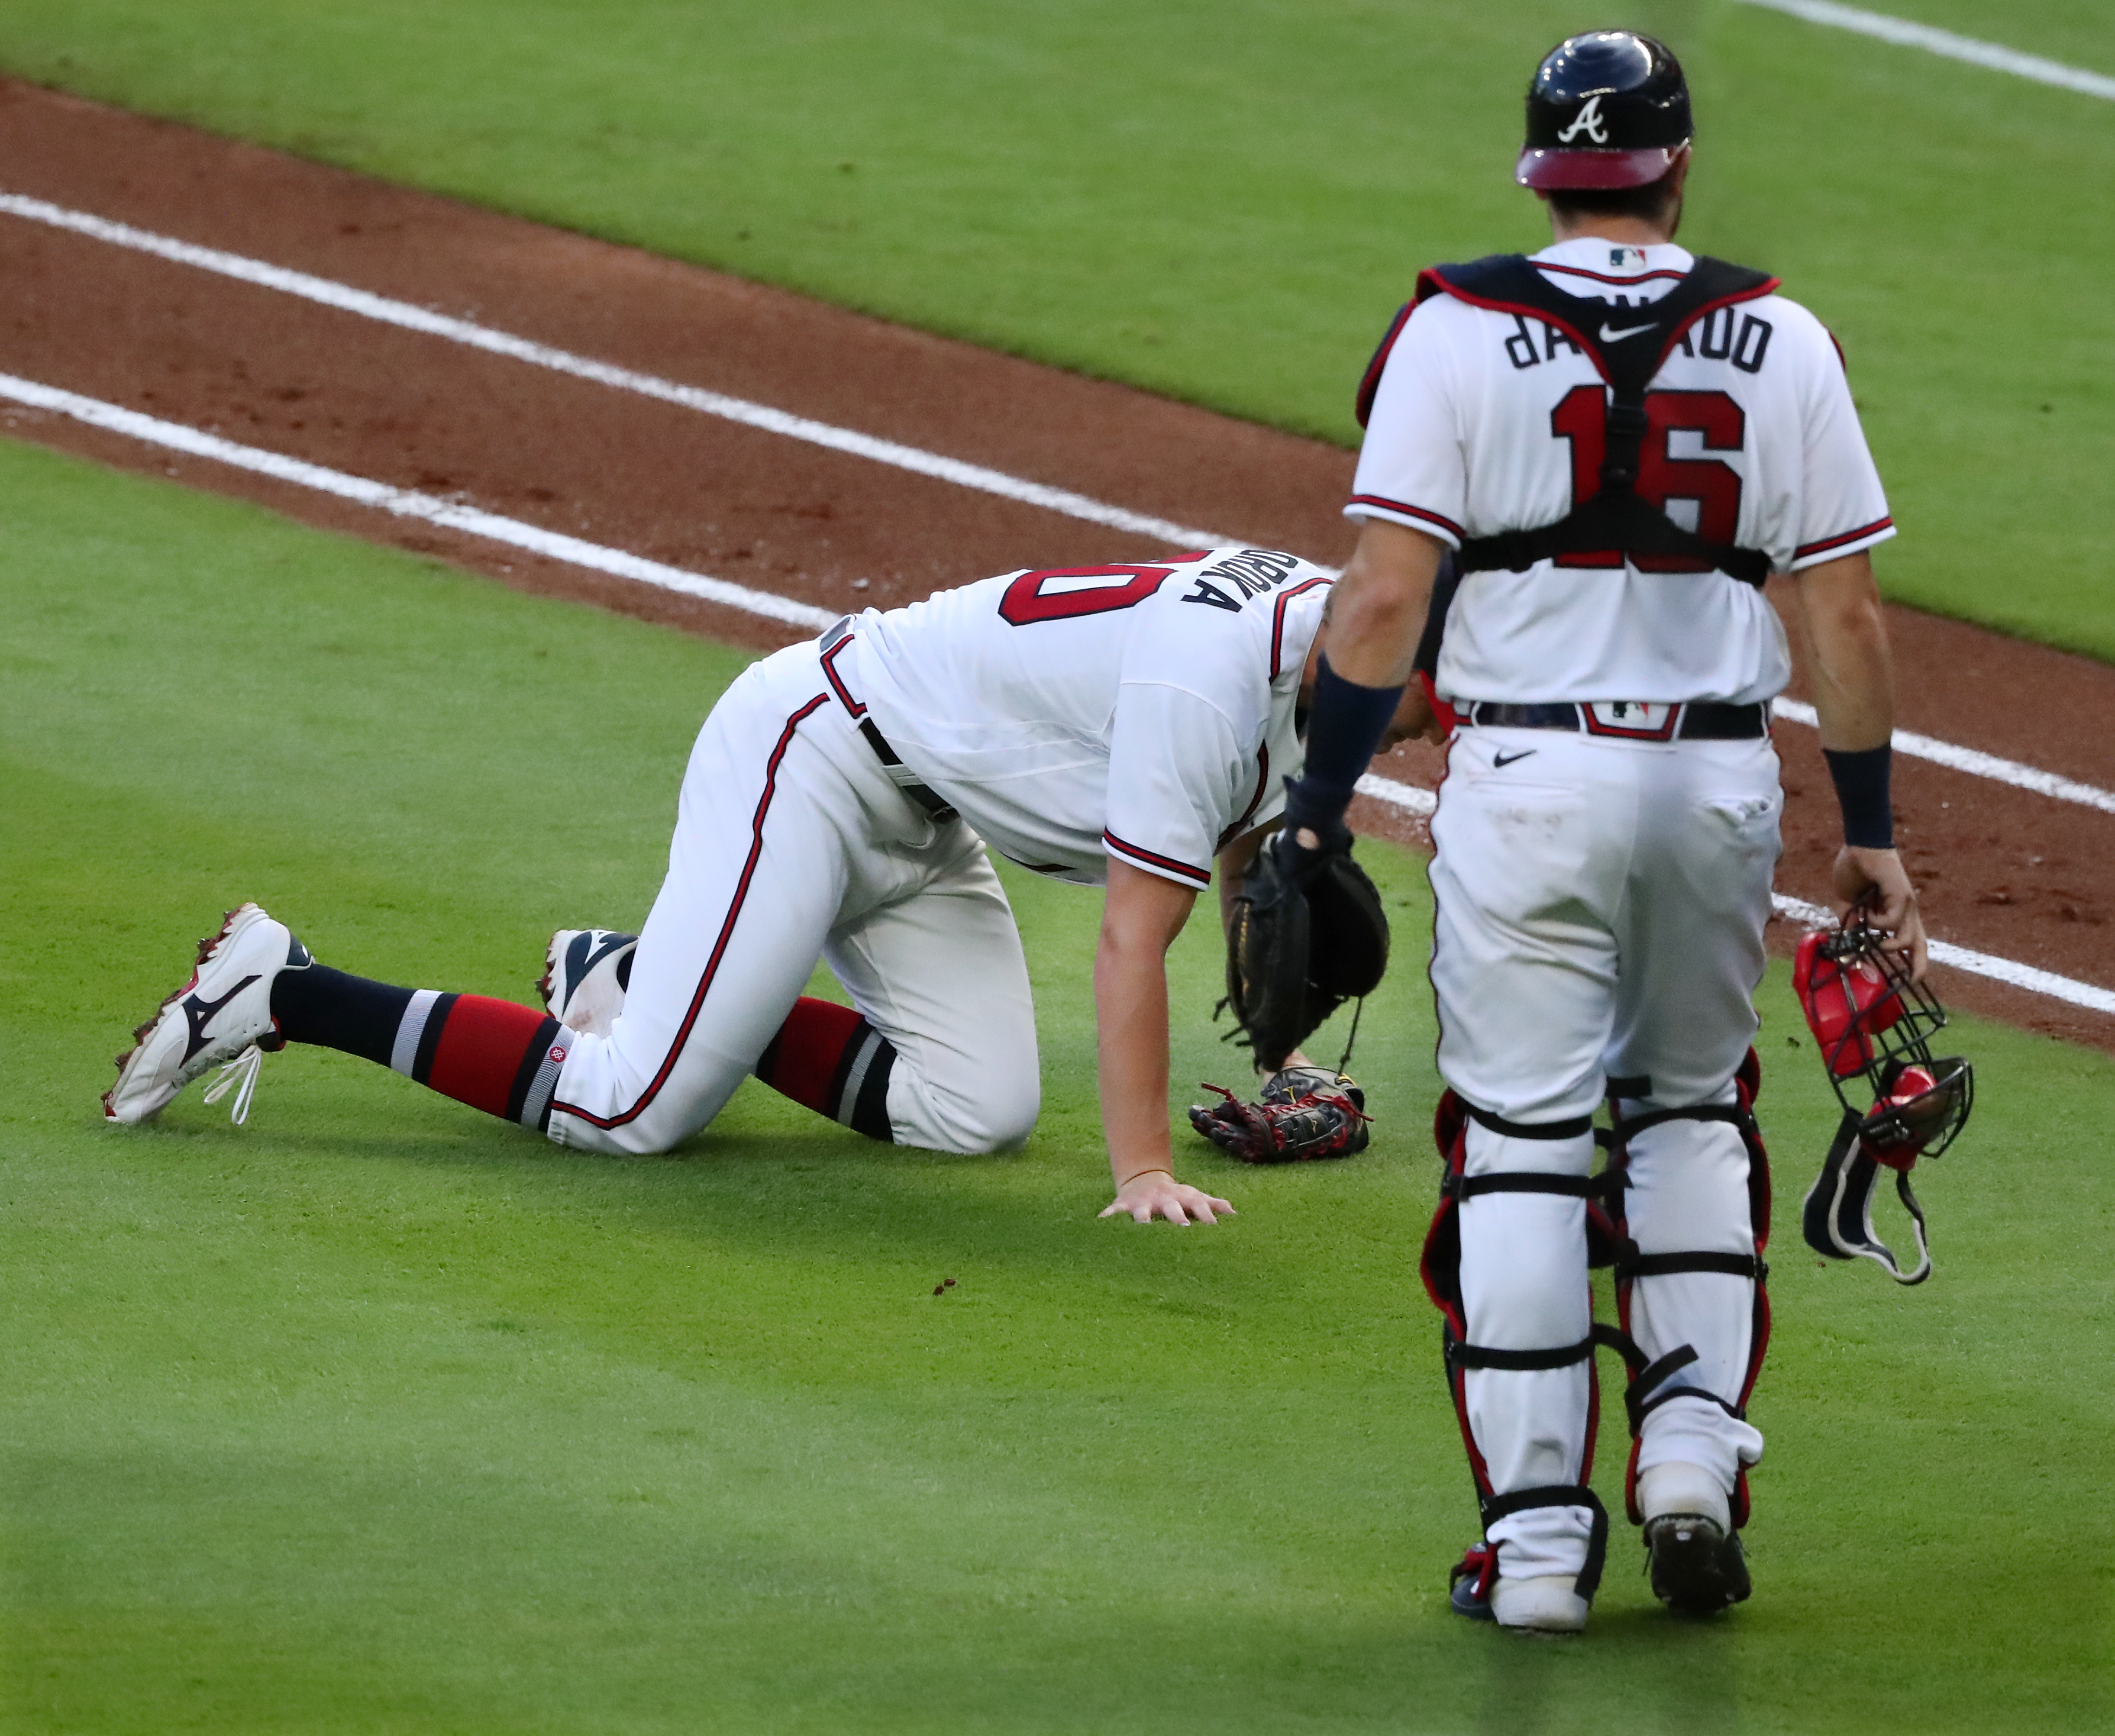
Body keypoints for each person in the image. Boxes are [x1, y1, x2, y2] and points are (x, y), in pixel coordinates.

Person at [1277, 31, 1926, 1629]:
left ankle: (1542, 1547)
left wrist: (1311, 812)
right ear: (1678, 165)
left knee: (1517, 1146)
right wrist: (1875, 832)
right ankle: (1691, 1459)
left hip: (1526, 792)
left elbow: (1378, 598)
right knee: (1694, 1111)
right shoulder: (1778, 337)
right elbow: (1838, 608)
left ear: (1542, 176)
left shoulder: (1452, 330)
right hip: (1716, 789)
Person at [105, 547, 1416, 1224]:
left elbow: (1261, 861)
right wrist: (1140, 1172)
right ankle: (284, 987)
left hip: (929, 822)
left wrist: (1275, 1065)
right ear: (1385, 641)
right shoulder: (1208, 679)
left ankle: (631, 978)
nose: (1443, 719)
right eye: (1445, 689)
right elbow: (1135, 942)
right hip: (816, 759)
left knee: (979, 1112)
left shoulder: (1331, 650)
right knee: (629, 1114)